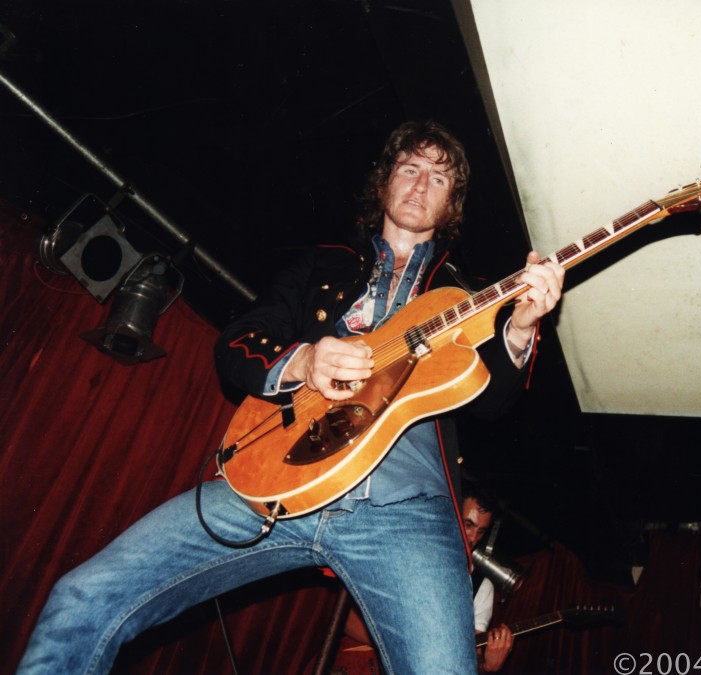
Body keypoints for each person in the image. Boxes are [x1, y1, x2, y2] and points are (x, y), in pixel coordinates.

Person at [17, 120, 564, 675]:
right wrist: (303, 360)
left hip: (404, 513)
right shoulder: (322, 267)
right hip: (273, 487)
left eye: (440, 178)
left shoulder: (464, 297)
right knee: (84, 596)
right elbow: (237, 344)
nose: (422, 185)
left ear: (452, 206)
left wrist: (519, 331)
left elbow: (491, 403)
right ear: (384, 183)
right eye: (410, 169)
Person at [341, 486, 516, 672]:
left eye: (481, 531)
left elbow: (469, 660)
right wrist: (398, 645)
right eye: (468, 524)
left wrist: (488, 667)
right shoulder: (408, 552)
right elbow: (344, 617)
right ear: (451, 514)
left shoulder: (481, 586)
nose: (473, 537)